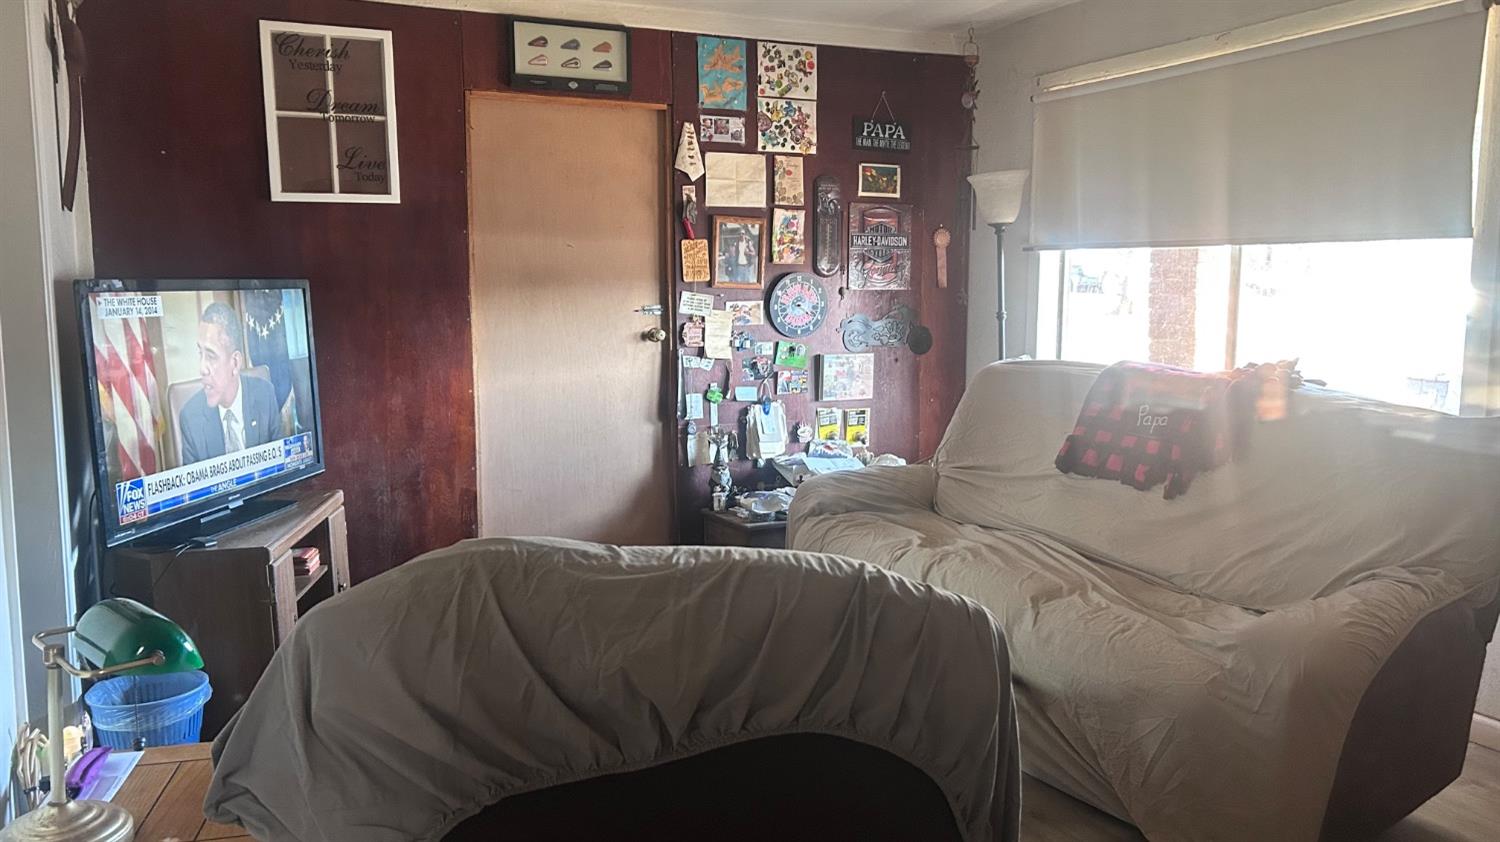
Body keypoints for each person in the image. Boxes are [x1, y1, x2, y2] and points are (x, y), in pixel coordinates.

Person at [178, 301, 280, 464]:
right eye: (200, 353)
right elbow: (196, 488)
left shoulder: (265, 395)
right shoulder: (190, 418)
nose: (202, 369)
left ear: (235, 362)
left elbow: (279, 468)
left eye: (211, 356)